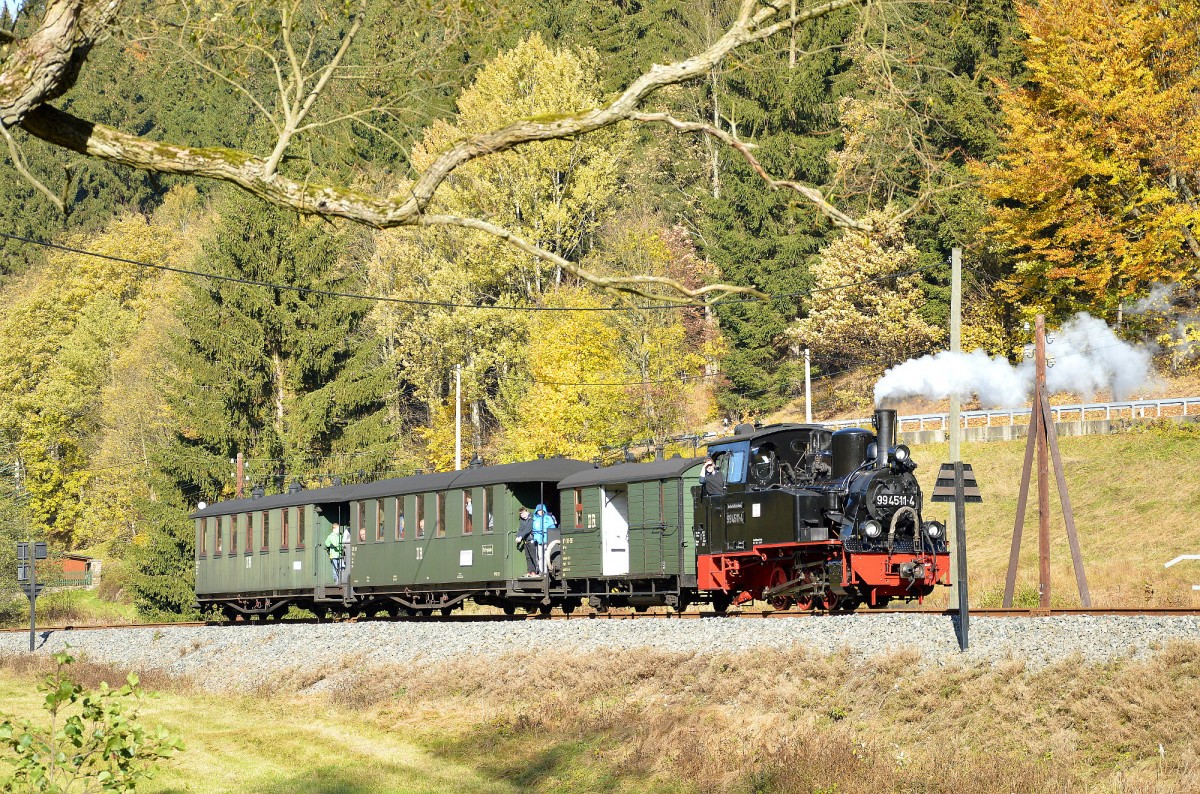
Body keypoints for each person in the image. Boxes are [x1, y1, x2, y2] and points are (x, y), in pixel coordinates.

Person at [531, 503, 557, 576]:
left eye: (542, 510)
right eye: (539, 510)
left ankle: (546, 571)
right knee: (540, 556)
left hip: (547, 540)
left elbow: (552, 528)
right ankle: (542, 571)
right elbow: (533, 529)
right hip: (539, 541)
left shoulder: (548, 518)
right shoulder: (534, 519)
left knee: (547, 556)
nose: (540, 512)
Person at [517, 506, 537, 576]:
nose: (523, 515)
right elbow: (521, 529)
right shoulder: (522, 520)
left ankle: (535, 571)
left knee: (533, 556)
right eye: (521, 514)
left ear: (527, 511)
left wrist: (520, 536)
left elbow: (528, 528)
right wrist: (518, 536)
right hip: (525, 541)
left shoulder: (531, 518)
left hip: (532, 540)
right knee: (528, 557)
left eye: (523, 513)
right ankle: (529, 571)